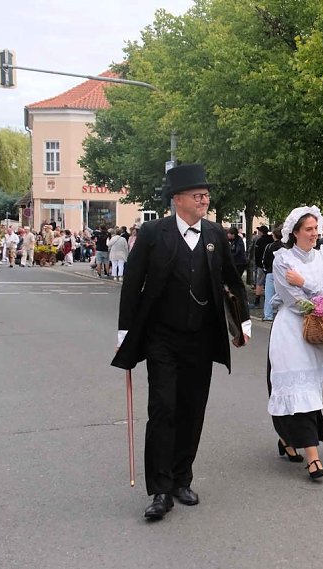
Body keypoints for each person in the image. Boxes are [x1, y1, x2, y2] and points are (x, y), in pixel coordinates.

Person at [111, 163, 251, 521]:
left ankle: (181, 478)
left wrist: (242, 323)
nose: (205, 200)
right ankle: (160, 489)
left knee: (192, 409)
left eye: (206, 195)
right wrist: (124, 332)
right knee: (163, 409)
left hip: (201, 338)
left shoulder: (214, 234)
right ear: (178, 199)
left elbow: (233, 280)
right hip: (162, 337)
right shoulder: (153, 233)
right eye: (198, 195)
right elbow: (132, 283)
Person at [268, 206, 323, 481]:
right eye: (308, 229)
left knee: (310, 390)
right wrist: (315, 297)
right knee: (301, 390)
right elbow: (295, 301)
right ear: (295, 232)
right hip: (292, 332)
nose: (314, 233)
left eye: (316, 228)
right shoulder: (282, 260)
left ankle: (286, 438)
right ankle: (313, 458)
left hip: (319, 333)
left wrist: (306, 283)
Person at [261, 227, 284, 321]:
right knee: (282, 294)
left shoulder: (269, 246)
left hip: (271, 272)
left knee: (269, 295)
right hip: (282, 273)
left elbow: (264, 260)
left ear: (274, 236)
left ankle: (268, 315)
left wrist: (266, 270)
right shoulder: (286, 246)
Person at [252, 225, 274, 308]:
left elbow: (257, 254)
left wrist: (258, 264)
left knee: (260, 282)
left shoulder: (260, 241)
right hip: (271, 265)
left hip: (262, 265)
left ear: (261, 232)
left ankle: (257, 301)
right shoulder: (271, 240)